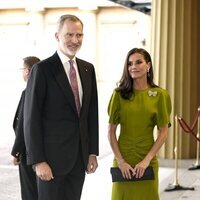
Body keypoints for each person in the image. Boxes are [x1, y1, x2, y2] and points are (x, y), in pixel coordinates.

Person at [23, 14, 99, 200]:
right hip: (50, 162)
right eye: (69, 35)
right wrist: (38, 161)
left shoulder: (88, 69)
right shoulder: (42, 70)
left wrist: (92, 152)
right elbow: (31, 118)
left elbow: (91, 114)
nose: (75, 40)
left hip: (78, 160)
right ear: (57, 36)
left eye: (79, 35)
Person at [107, 48, 171, 200]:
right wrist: (121, 161)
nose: (133, 67)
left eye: (138, 62)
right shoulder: (118, 94)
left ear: (148, 65)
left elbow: (163, 132)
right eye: (129, 64)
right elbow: (110, 132)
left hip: (147, 160)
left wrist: (147, 160)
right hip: (123, 161)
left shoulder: (160, 95)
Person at [11, 56, 40, 200]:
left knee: (29, 193)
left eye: (23, 69)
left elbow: (24, 124)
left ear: (28, 71)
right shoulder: (42, 90)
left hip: (27, 152)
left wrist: (16, 151)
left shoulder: (28, 91)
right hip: (39, 152)